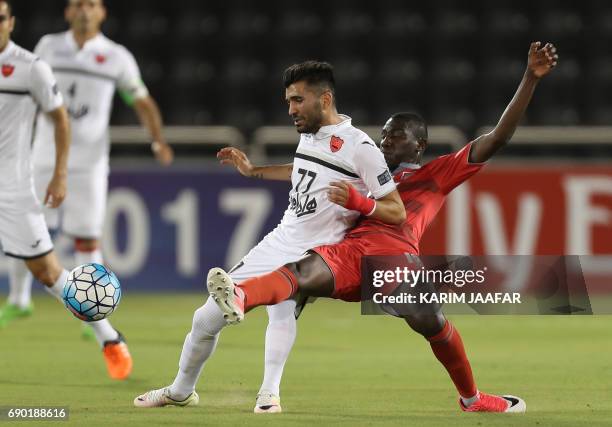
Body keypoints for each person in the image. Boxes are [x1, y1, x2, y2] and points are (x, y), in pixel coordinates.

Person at [143, 41, 556, 412]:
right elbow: (310, 170)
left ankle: (472, 398)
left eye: (396, 138)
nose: (386, 143)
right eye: (385, 136)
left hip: (396, 260)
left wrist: (529, 79)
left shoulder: (433, 174)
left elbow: (497, 137)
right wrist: (254, 171)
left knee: (431, 321)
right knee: (298, 276)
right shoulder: (356, 157)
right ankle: (241, 311)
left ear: (419, 146)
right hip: (350, 251)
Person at [133, 60, 406, 407]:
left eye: (297, 100)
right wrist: (253, 171)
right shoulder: (309, 134)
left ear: (324, 100)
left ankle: (269, 395)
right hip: (280, 239)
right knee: (205, 319)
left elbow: (396, 211)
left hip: (317, 254)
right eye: (288, 101)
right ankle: (181, 391)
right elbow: (303, 170)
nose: (290, 109)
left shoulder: (361, 148)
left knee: (281, 310)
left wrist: (359, 202)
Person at [0, 0, 174, 334]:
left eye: (91, 4)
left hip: (90, 162)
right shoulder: (48, 47)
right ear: (67, 13)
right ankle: (19, 299)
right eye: (78, 4)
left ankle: (93, 313)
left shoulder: (116, 56)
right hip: (40, 157)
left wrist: (157, 140)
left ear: (102, 13)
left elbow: (140, 100)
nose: (84, 10)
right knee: (28, 229)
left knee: (87, 237)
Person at [0, 0, 131, 380]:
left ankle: (108, 337)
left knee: (48, 270)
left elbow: (60, 119)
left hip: (12, 185)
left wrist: (59, 173)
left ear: (11, 22)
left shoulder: (31, 67)